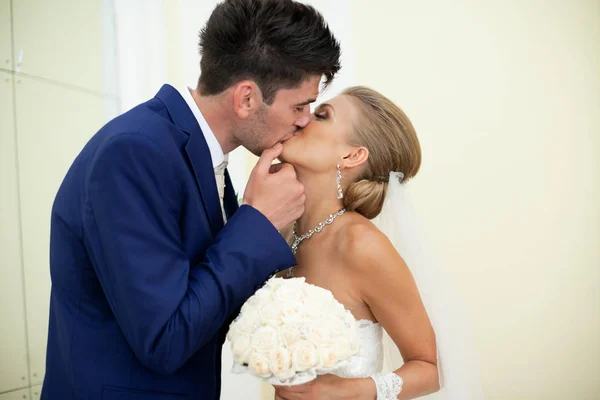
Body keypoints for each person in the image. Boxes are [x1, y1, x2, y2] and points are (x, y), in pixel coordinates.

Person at [41, 0, 341, 399]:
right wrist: (258, 222)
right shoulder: (134, 152)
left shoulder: (201, 157)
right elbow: (164, 339)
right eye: (299, 105)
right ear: (247, 98)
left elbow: (210, 298)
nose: (304, 119)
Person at [272, 87, 484, 400]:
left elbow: (432, 366)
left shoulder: (361, 245)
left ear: (352, 155)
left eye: (321, 115)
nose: (303, 119)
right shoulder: (285, 231)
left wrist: (351, 391)